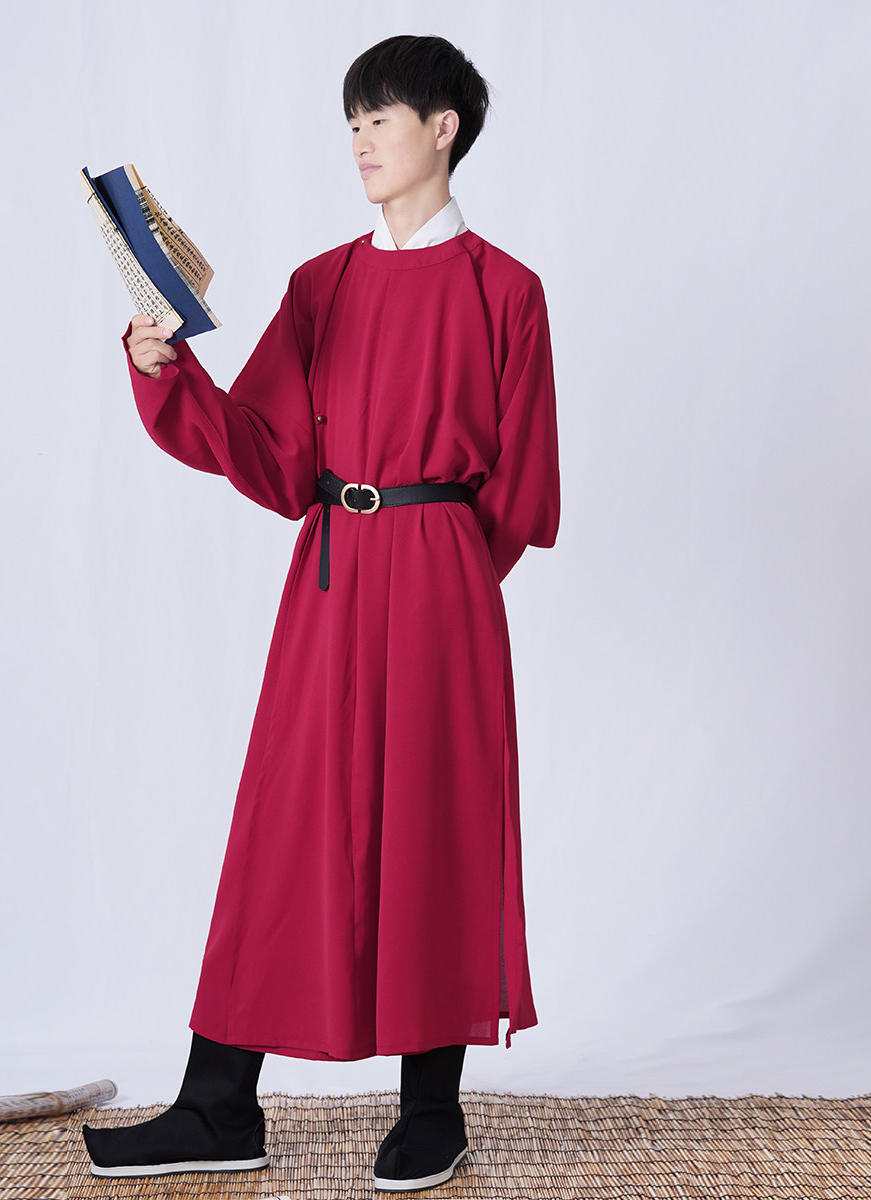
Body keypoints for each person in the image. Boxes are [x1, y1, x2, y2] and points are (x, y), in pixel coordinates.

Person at [81, 32, 560, 1192]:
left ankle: (432, 1111)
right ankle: (216, 1109)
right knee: (283, 825)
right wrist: (166, 370)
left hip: (442, 587)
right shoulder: (321, 286)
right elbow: (268, 453)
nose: (359, 140)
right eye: (351, 120)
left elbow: (525, 489)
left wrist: (443, 573)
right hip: (332, 581)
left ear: (443, 127)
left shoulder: (507, 290)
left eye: (379, 116)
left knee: (434, 826)